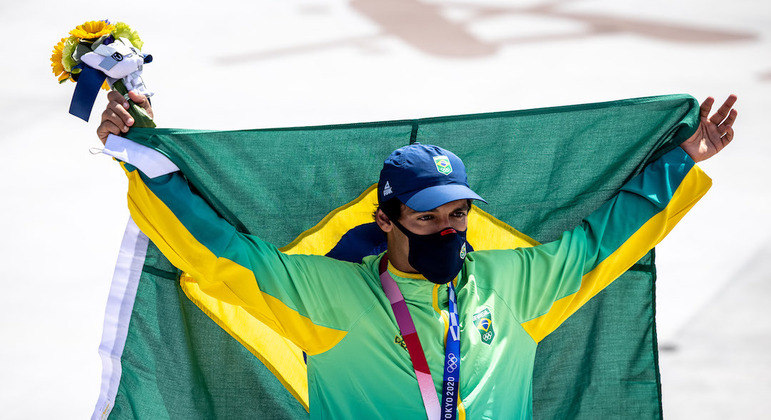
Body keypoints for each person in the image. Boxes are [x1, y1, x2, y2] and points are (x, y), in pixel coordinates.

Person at [96, 92, 737, 419]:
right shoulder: (329, 296)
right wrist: (151, 161)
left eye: (458, 214)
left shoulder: (515, 285)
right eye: (427, 217)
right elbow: (223, 256)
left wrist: (684, 159)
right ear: (387, 220)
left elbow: (605, 241)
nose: (448, 229)